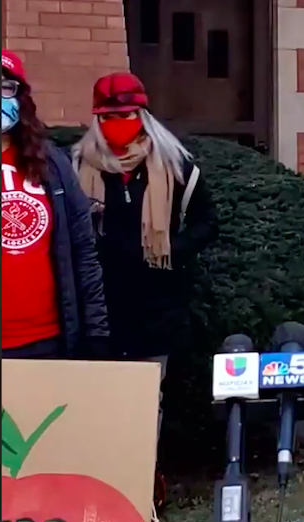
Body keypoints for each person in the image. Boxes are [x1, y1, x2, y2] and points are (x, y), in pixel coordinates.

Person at [71, 72, 218, 464]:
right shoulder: (78, 166)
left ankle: (140, 481)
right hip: (102, 308)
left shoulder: (175, 165)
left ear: (142, 114)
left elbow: (207, 222)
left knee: (146, 402)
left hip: (157, 308)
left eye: (127, 115)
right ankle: (102, 480)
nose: (118, 125)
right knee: (101, 401)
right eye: (108, 116)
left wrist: (171, 250)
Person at [2, 49, 109, 360]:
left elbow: (83, 251)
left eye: (5, 87)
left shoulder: (51, 164)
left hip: (44, 342)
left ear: (20, 97)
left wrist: (96, 332)